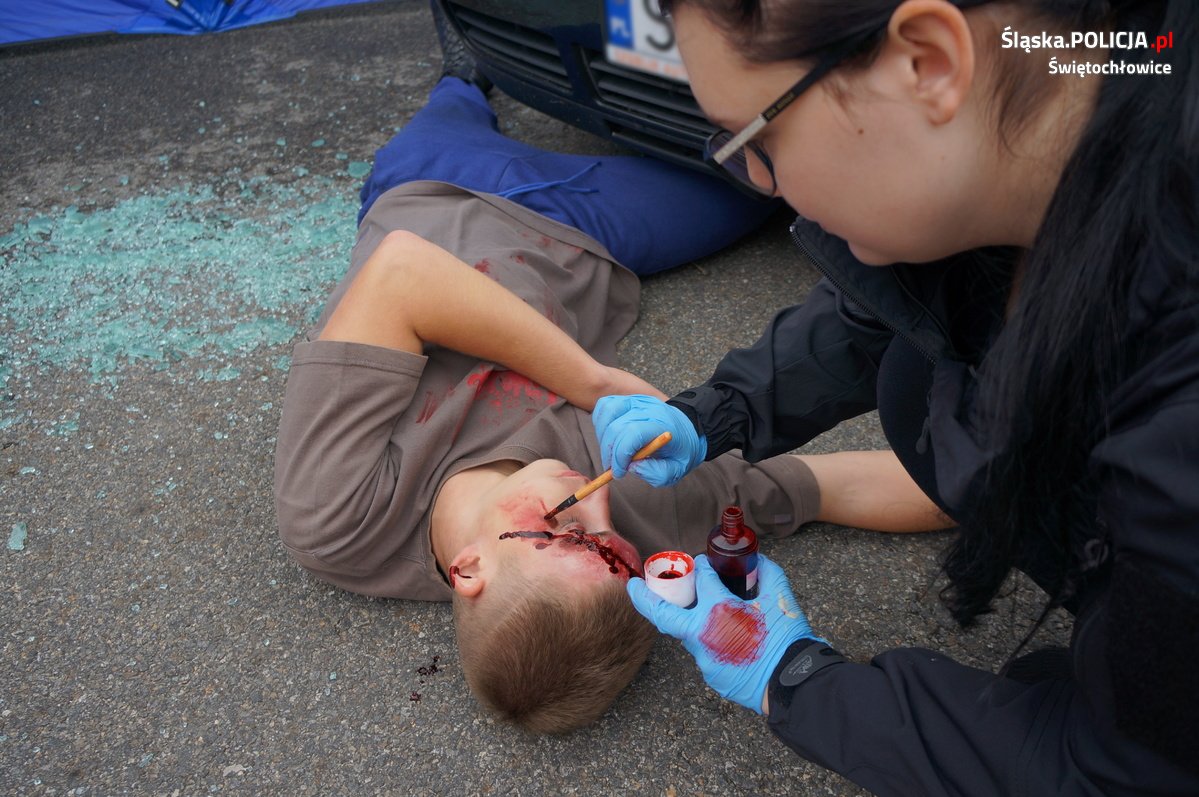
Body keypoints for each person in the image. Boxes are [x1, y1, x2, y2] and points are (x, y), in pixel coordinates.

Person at [594, 0, 1198, 792]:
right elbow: (889, 306)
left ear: (929, 62)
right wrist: (713, 413)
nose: (761, 183)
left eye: (755, 139)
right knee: (918, 378)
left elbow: (1118, 778)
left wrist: (795, 677)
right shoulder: (1111, 77)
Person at [271, 61, 950, 733]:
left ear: (469, 568)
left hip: (430, 190)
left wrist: (590, 382)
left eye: (565, 533)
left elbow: (402, 273)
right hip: (582, 231)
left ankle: (467, 72)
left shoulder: (338, 518)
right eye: (614, 548)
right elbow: (836, 488)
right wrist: (1006, 480)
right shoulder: (634, 510)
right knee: (767, 171)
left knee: (456, 98)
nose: (596, 507)